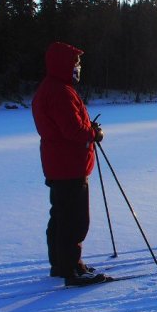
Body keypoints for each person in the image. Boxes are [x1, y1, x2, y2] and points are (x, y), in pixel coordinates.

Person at [32, 41, 107, 286]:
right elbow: (72, 130)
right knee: (74, 220)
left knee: (60, 216)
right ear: (64, 65)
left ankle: (61, 264)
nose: (78, 67)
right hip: (69, 166)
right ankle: (71, 268)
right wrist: (92, 133)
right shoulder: (60, 92)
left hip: (60, 164)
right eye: (75, 63)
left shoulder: (53, 88)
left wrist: (89, 130)